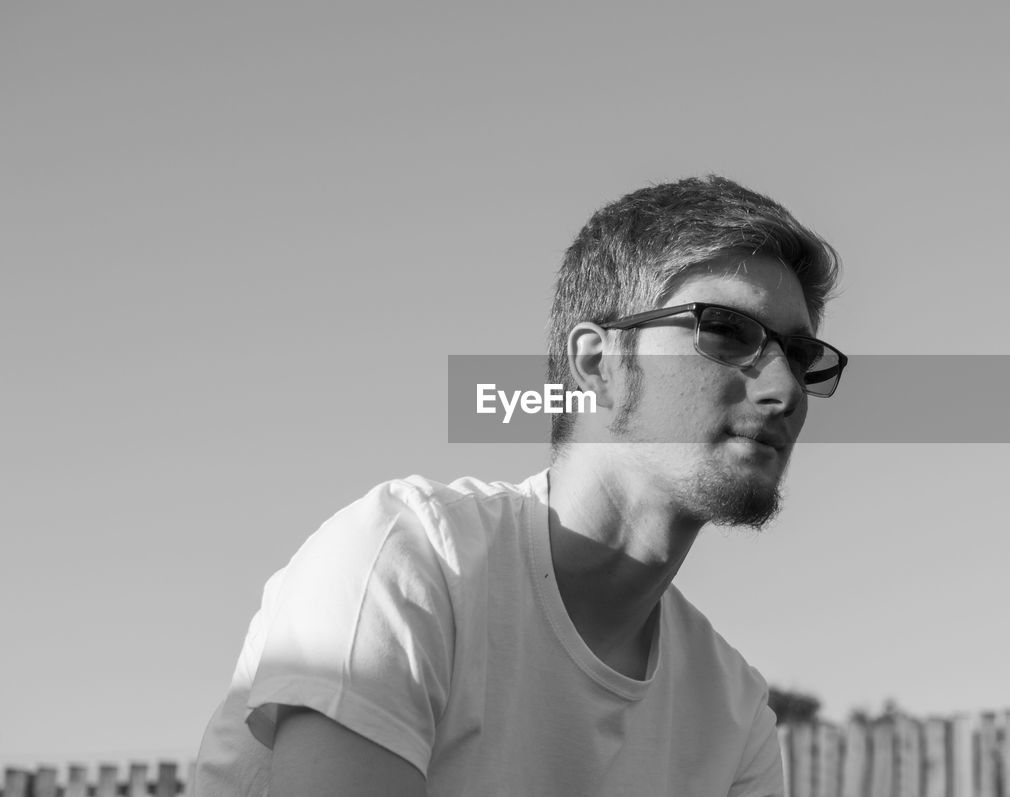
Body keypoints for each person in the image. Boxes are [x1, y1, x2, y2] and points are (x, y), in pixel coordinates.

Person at [192, 175, 846, 796]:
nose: (784, 389)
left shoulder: (734, 717)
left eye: (799, 355)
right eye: (727, 333)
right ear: (598, 362)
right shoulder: (410, 562)